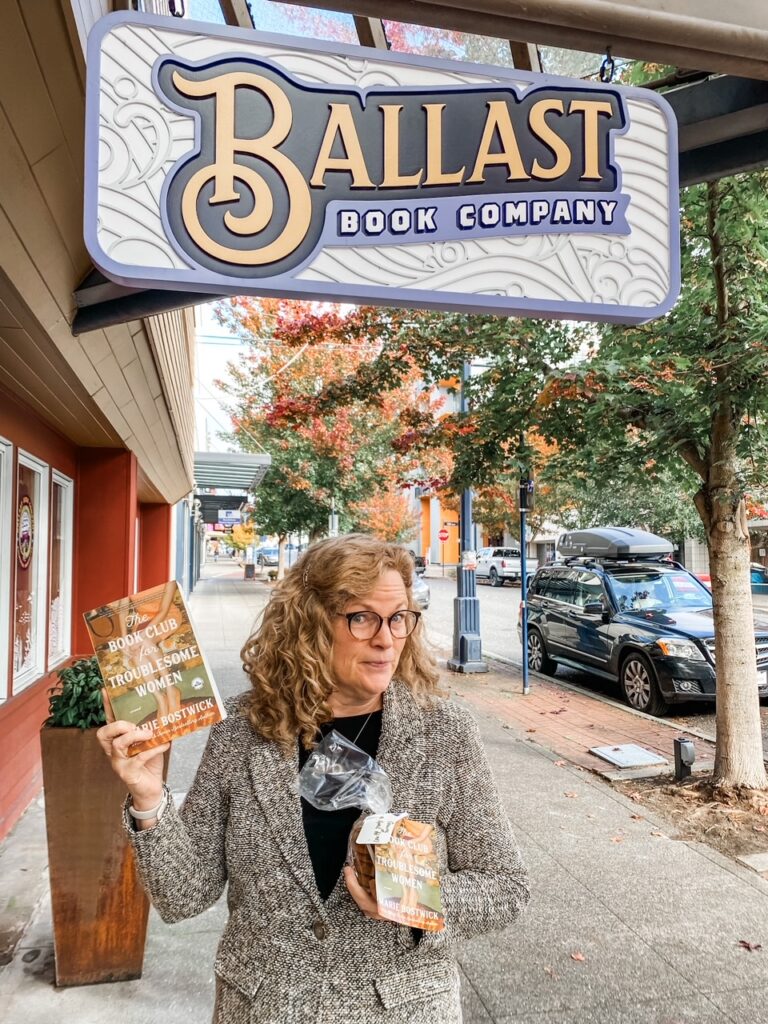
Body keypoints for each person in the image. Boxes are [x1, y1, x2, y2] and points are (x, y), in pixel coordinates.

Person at [96, 534, 529, 1023]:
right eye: (362, 617)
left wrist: (416, 897)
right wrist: (149, 797)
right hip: (265, 1008)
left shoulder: (443, 734)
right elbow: (184, 895)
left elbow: (505, 886)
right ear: (309, 626)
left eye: (399, 617)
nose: (386, 639)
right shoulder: (241, 734)